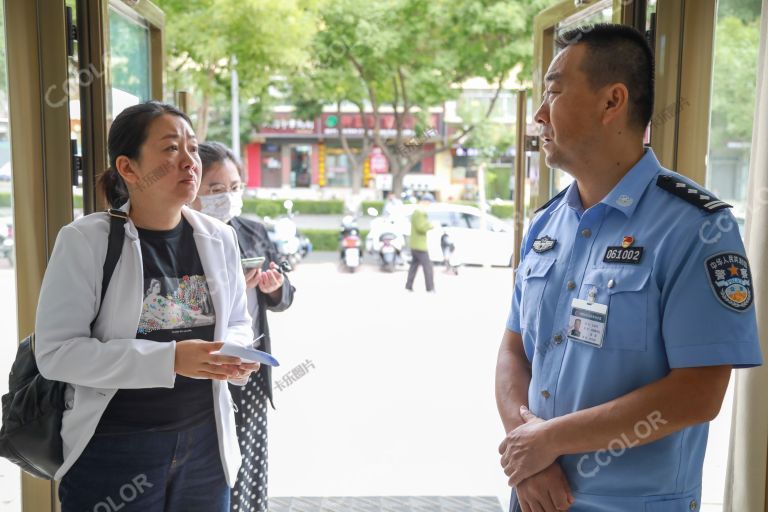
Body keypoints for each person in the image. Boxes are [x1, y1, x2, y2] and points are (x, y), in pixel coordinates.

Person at [494, 24, 762, 512]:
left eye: (553, 93)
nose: (537, 115)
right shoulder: (547, 224)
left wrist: (550, 440)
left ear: (612, 101)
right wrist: (528, 455)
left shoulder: (695, 228)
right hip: (533, 495)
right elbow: (513, 350)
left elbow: (699, 392)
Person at [34, 101, 259, 512]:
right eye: (171, 149)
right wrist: (170, 359)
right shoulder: (87, 241)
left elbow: (239, 321)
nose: (190, 162)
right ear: (129, 168)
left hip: (205, 444)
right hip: (114, 449)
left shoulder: (218, 237)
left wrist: (234, 352)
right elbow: (56, 353)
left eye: (193, 148)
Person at [191, 141, 295, 512]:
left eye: (235, 188)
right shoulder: (183, 235)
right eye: (217, 190)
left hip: (248, 369)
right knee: (209, 469)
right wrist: (231, 289)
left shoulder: (252, 230)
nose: (228, 197)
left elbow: (284, 294)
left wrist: (274, 287)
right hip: (199, 372)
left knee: (248, 463)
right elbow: (166, 310)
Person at [405, 193, 436, 292]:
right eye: (429, 202)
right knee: (428, 267)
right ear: (426, 201)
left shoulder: (416, 211)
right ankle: (430, 288)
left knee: (414, 266)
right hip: (420, 245)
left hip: (415, 243)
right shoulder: (420, 212)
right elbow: (421, 227)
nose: (429, 205)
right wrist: (431, 225)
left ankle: (408, 286)